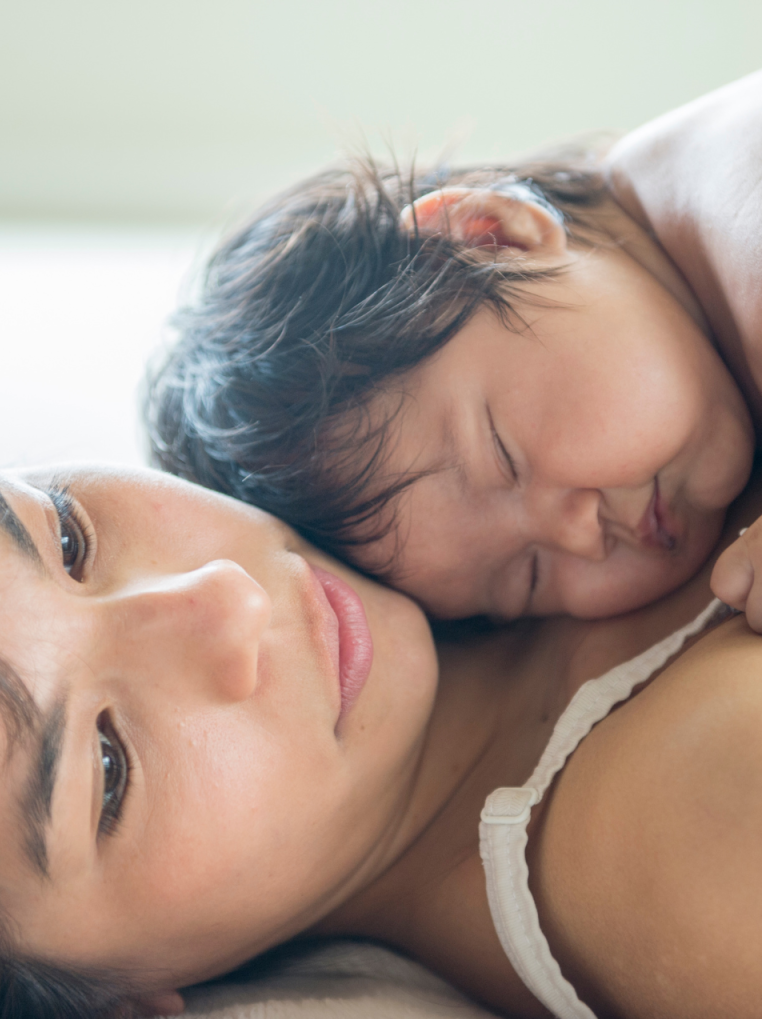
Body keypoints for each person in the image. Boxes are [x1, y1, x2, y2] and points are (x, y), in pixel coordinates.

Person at [0, 455, 762, 1019]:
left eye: (64, 538)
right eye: (109, 766)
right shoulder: (690, 851)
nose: (225, 602)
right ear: (112, 1006)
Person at [145, 72, 762, 624]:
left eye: (505, 458)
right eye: (527, 578)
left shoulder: (733, 195)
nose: (578, 536)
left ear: (493, 238)